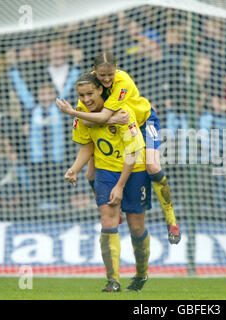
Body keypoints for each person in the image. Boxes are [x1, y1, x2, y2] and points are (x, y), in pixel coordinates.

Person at [56, 52, 181, 244]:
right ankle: (112, 209)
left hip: (144, 122)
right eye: (101, 75)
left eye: (110, 74)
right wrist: (107, 119)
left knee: (153, 167)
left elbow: (100, 117)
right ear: (94, 70)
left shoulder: (123, 82)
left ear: (116, 69)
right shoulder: (89, 86)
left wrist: (72, 112)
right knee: (90, 175)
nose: (106, 79)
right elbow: (87, 122)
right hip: (116, 127)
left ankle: (171, 219)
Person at [65, 72, 150, 292]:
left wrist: (120, 185)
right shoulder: (82, 116)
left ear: (100, 90)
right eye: (81, 95)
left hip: (134, 170)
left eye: (90, 93)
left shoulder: (123, 113)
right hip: (105, 171)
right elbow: (87, 145)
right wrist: (74, 169)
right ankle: (113, 281)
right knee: (108, 221)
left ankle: (141, 275)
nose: (86, 99)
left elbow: (132, 151)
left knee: (136, 226)